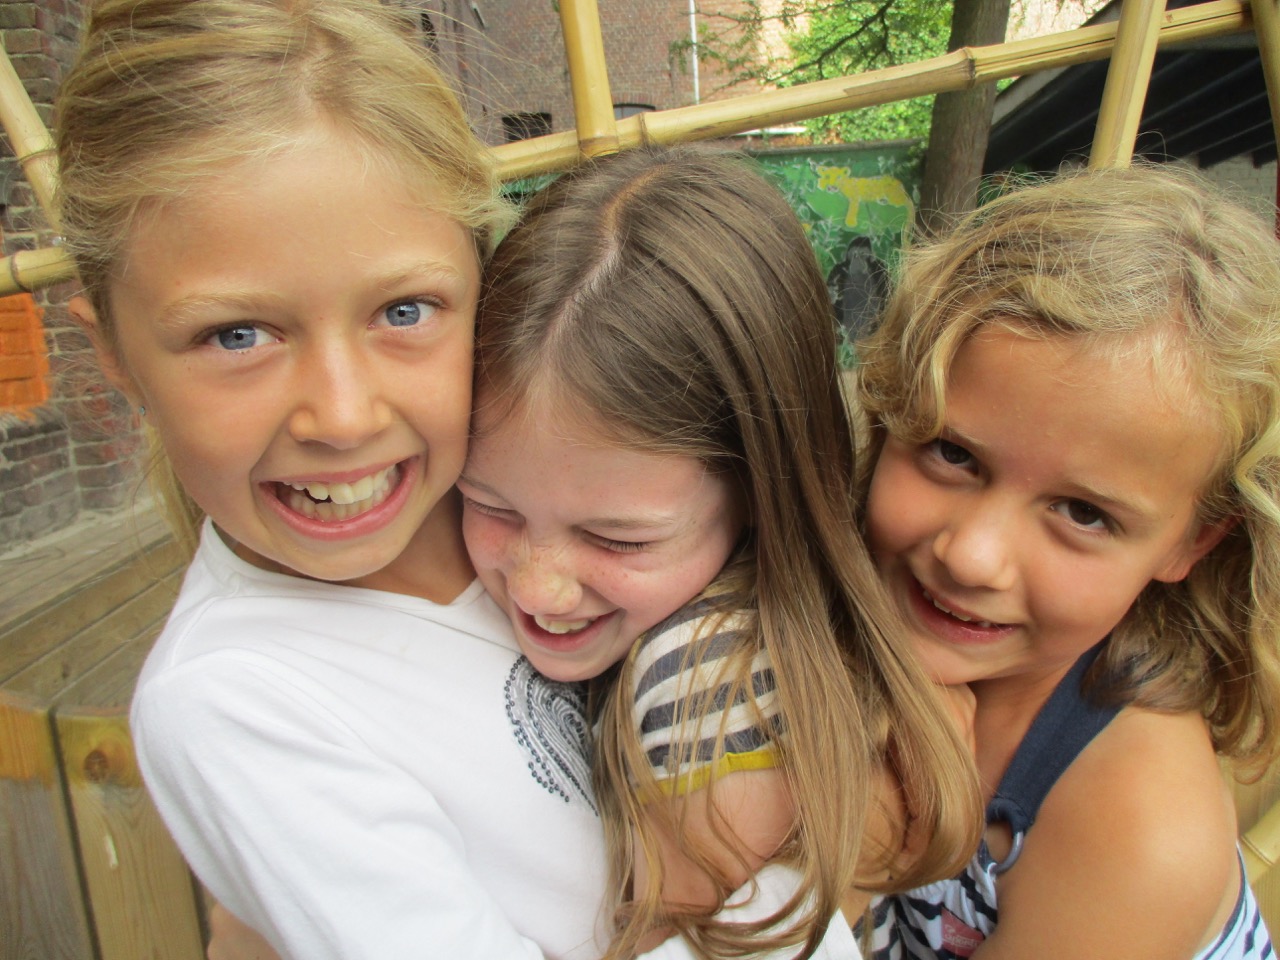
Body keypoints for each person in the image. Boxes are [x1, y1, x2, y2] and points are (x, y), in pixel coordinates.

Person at [52, 3, 963, 959]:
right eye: (235, 335)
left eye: (404, 310)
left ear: (484, 287)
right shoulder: (234, 706)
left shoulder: (524, 496)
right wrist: (817, 879)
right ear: (112, 352)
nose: (344, 415)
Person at [458, 146, 981, 958]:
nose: (537, 587)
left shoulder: (696, 687)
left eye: (618, 537)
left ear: (760, 491)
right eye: (487, 504)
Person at [853, 165, 1280, 959]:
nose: (972, 556)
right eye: (952, 453)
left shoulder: (1138, 828)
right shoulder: (853, 601)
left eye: (1084, 514)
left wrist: (850, 865)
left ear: (1190, 544)